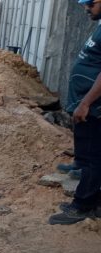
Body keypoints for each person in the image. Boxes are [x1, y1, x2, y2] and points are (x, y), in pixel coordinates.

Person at [48, 0, 101, 225]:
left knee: (94, 159)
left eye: (90, 3)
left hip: (94, 106)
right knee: (88, 156)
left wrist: (86, 103)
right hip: (86, 102)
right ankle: (91, 200)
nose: (85, 7)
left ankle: (83, 206)